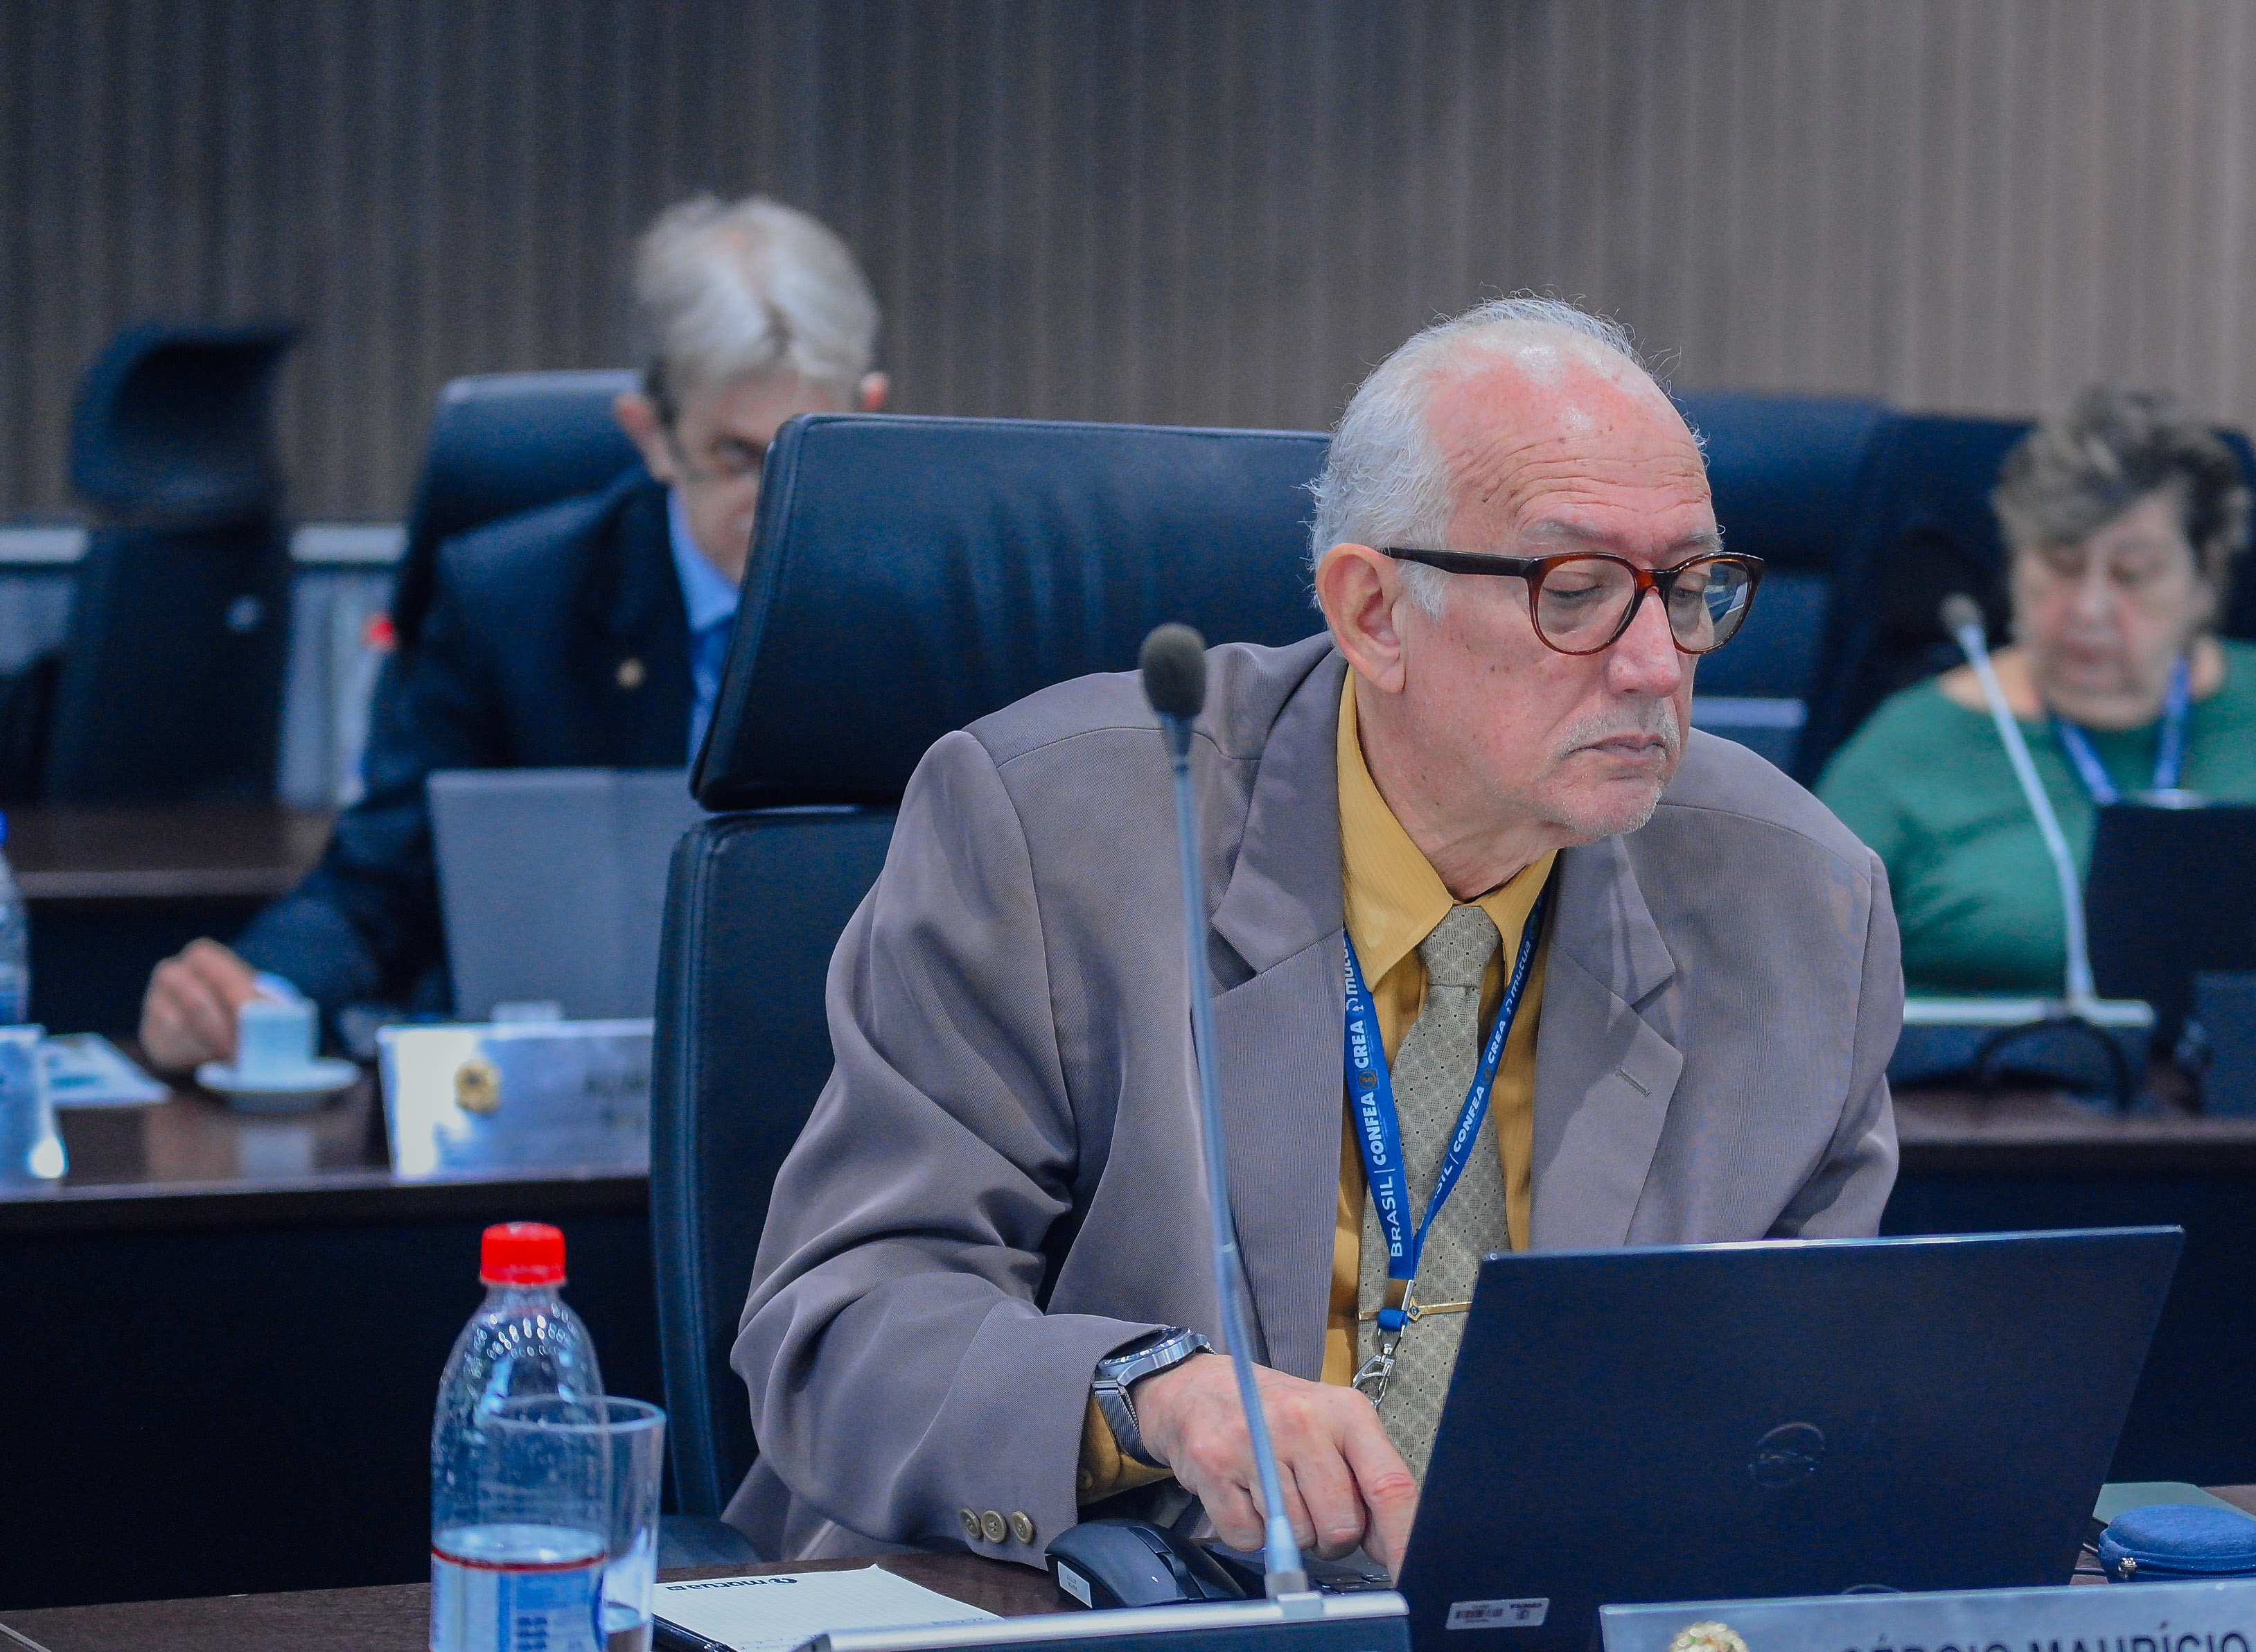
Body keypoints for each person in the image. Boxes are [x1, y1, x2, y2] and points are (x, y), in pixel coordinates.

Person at [726, 297, 1902, 1570]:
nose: (1655, 665)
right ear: (1373, 614)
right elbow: (845, 1325)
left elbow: (1793, 1419)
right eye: (1577, 592)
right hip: (1087, 1626)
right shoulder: (1051, 832)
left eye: (1688, 589)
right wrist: (1150, 1398)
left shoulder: (1802, 907)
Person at [137, 195, 887, 1069]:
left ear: (869, 413)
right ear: (651, 437)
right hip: (565, 1091)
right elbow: (381, 883)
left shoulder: (929, 604)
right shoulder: (515, 601)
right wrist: (254, 994)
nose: (774, 498)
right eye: (735, 456)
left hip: (839, 1083)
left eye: (809, 448)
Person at [1816, 386, 2256, 997]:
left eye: (2133, 574)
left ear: (2205, 578)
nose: (2091, 609)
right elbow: (1793, 989)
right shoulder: (1901, 755)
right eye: (2061, 566)